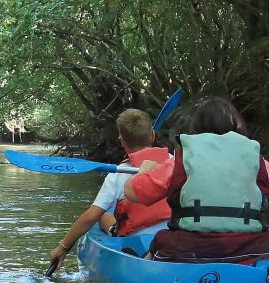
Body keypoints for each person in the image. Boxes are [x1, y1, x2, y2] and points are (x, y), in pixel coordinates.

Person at [123, 96, 269, 263]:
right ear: (238, 127)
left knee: (160, 242)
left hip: (189, 247)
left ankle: (142, 264)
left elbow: (133, 193)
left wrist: (143, 173)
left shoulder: (181, 159)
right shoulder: (257, 161)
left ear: (197, 128)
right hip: (249, 247)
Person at [47, 109, 174, 273]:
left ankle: (114, 230)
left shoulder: (119, 174)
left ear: (121, 141)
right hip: (172, 236)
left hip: (136, 242)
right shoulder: (173, 162)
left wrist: (63, 247)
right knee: (105, 216)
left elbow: (90, 216)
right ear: (152, 136)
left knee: (101, 215)